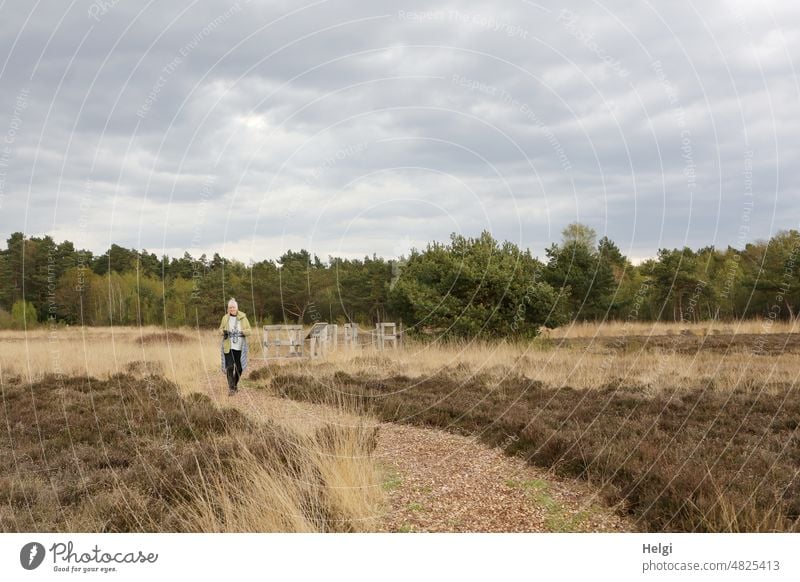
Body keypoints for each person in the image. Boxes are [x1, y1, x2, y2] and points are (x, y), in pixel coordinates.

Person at [219, 298, 251, 395]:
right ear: (228, 309)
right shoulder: (225, 318)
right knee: (229, 366)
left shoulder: (243, 318)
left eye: (233, 307)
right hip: (228, 346)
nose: (232, 309)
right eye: (230, 307)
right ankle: (231, 388)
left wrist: (242, 332)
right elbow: (220, 329)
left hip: (240, 347)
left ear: (237, 308)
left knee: (239, 368)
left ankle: (235, 384)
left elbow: (249, 330)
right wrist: (223, 332)